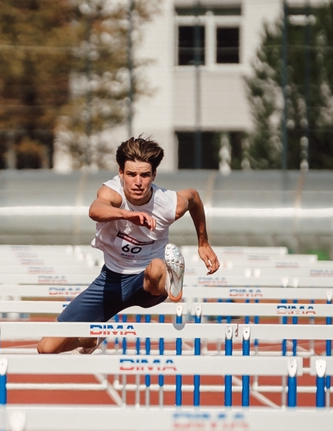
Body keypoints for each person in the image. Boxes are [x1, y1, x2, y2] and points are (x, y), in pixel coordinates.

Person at [37, 136, 220, 355]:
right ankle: (90, 340)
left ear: (153, 175)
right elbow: (95, 210)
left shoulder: (168, 203)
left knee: (156, 266)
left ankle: (171, 281)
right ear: (121, 173)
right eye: (131, 174)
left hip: (145, 282)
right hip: (110, 280)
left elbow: (194, 198)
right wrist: (128, 215)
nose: (138, 182)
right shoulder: (112, 192)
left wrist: (203, 243)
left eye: (144, 175)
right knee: (46, 348)